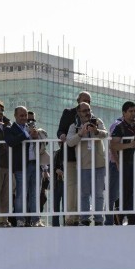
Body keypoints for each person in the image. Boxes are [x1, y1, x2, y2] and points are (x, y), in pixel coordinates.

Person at [66, 102, 107, 225]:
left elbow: (105, 134)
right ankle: (85, 219)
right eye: (84, 111)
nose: (87, 113)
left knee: (99, 193)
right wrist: (80, 133)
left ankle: (99, 219)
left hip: (99, 164)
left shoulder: (97, 122)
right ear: (78, 112)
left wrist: (96, 131)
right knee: (84, 194)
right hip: (84, 165)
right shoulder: (74, 126)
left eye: (88, 110)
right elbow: (69, 142)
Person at [110, 101, 135, 225]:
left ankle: (122, 212)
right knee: (127, 192)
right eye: (130, 111)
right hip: (127, 163)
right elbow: (113, 145)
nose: (133, 114)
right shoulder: (120, 127)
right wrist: (129, 145)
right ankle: (128, 217)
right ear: (124, 113)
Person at [57, 92, 91, 226]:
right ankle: (71, 218)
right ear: (78, 102)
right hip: (71, 155)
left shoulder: (92, 116)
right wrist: (63, 136)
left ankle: (83, 217)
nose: (87, 104)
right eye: (84, 101)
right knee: (71, 187)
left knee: (84, 189)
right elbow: (60, 130)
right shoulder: (68, 113)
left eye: (89, 101)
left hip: (87, 157)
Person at [5, 106, 40, 227]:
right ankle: (20, 219)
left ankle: (36, 220)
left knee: (34, 193)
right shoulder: (10, 128)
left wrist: (36, 136)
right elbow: (11, 141)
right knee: (21, 193)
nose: (24, 118)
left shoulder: (31, 128)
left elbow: (40, 145)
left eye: (25, 115)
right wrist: (26, 133)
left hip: (34, 163)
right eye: (21, 115)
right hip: (21, 165)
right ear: (15, 116)